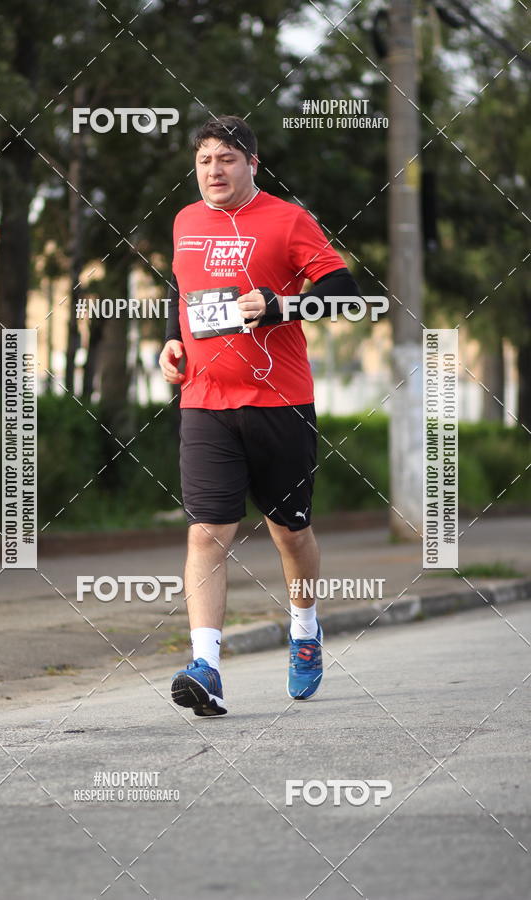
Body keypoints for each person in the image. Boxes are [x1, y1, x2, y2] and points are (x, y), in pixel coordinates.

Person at [159, 115, 361, 716]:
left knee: (290, 533)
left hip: (280, 402)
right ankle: (207, 667)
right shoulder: (186, 222)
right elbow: (185, 293)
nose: (214, 171)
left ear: (253, 163)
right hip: (205, 402)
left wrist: (280, 305)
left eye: (227, 158)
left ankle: (304, 628)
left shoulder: (288, 219)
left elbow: (345, 291)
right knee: (207, 532)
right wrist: (172, 341)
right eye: (204, 161)